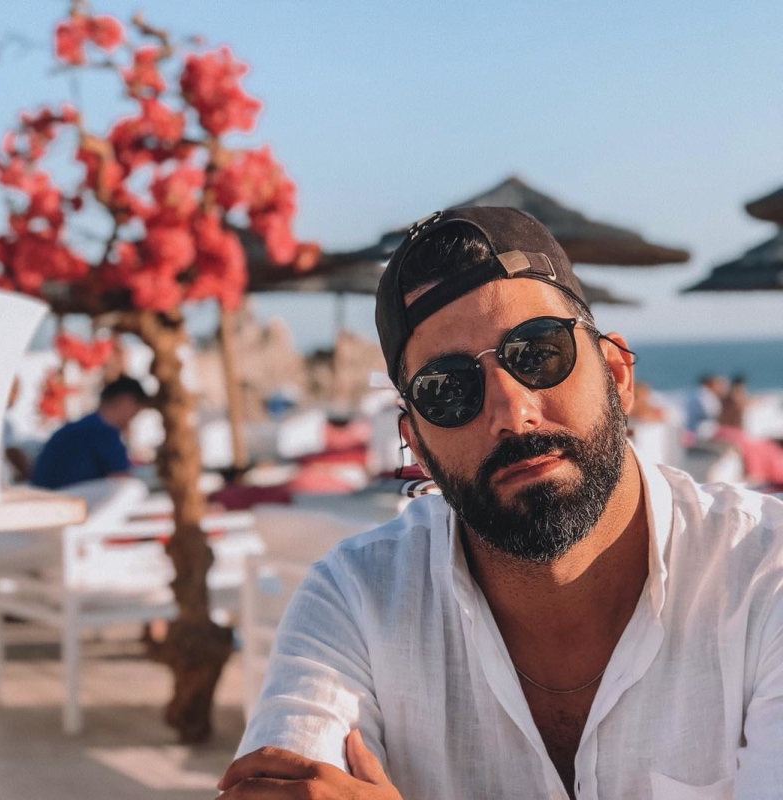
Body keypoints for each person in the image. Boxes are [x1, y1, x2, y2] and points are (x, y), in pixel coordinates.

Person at [220, 208, 783, 799]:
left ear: (617, 373)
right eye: (447, 389)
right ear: (416, 445)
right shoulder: (355, 601)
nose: (511, 412)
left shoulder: (762, 573)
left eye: (538, 352)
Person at [31, 374, 149, 490]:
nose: (134, 417)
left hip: (43, 492)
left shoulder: (81, 426)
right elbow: (120, 477)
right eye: (136, 410)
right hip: (64, 496)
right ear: (126, 400)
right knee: (131, 488)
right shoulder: (104, 432)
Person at [682, 372, 727, 444]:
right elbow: (707, 411)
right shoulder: (704, 393)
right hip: (702, 435)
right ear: (709, 383)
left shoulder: (699, 393)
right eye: (717, 384)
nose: (719, 387)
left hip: (698, 433)